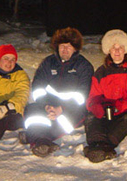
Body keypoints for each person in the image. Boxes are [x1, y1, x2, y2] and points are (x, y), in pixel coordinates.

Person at [22, 27, 94, 157]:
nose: (65, 50)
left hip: (72, 108)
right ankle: (41, 142)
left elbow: (83, 94)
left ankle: (36, 139)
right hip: (48, 104)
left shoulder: (84, 66)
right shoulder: (48, 63)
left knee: (62, 122)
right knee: (31, 112)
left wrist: (61, 109)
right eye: (62, 46)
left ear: (75, 48)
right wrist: (46, 106)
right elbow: (38, 86)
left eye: (69, 46)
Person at [84, 29, 127, 163]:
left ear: (126, 50)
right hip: (107, 111)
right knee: (91, 117)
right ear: (108, 51)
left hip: (126, 112)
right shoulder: (101, 72)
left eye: (120, 48)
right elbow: (92, 97)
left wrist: (121, 105)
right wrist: (96, 106)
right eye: (114, 48)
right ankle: (96, 146)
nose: (117, 51)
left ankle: (105, 146)